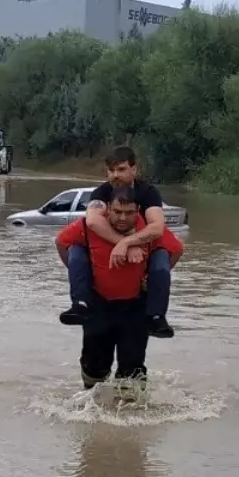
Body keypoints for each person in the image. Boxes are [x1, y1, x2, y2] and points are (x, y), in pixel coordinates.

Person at [55, 184, 185, 390]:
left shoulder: (149, 232)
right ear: (107, 209)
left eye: (129, 213)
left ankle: (130, 415)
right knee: (94, 368)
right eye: (117, 212)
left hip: (134, 307)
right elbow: (61, 243)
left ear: (138, 211)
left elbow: (177, 249)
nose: (123, 218)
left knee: (131, 371)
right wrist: (81, 275)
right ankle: (91, 414)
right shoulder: (89, 228)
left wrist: (151, 277)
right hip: (99, 304)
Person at [60, 145, 175, 338]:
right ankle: (80, 304)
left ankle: (157, 316)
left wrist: (127, 245)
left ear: (134, 169)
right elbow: (93, 221)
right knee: (76, 250)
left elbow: (157, 228)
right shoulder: (101, 192)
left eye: (121, 169)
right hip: (104, 268)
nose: (115, 175)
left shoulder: (148, 192)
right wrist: (123, 243)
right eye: (111, 170)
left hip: (142, 261)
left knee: (162, 256)